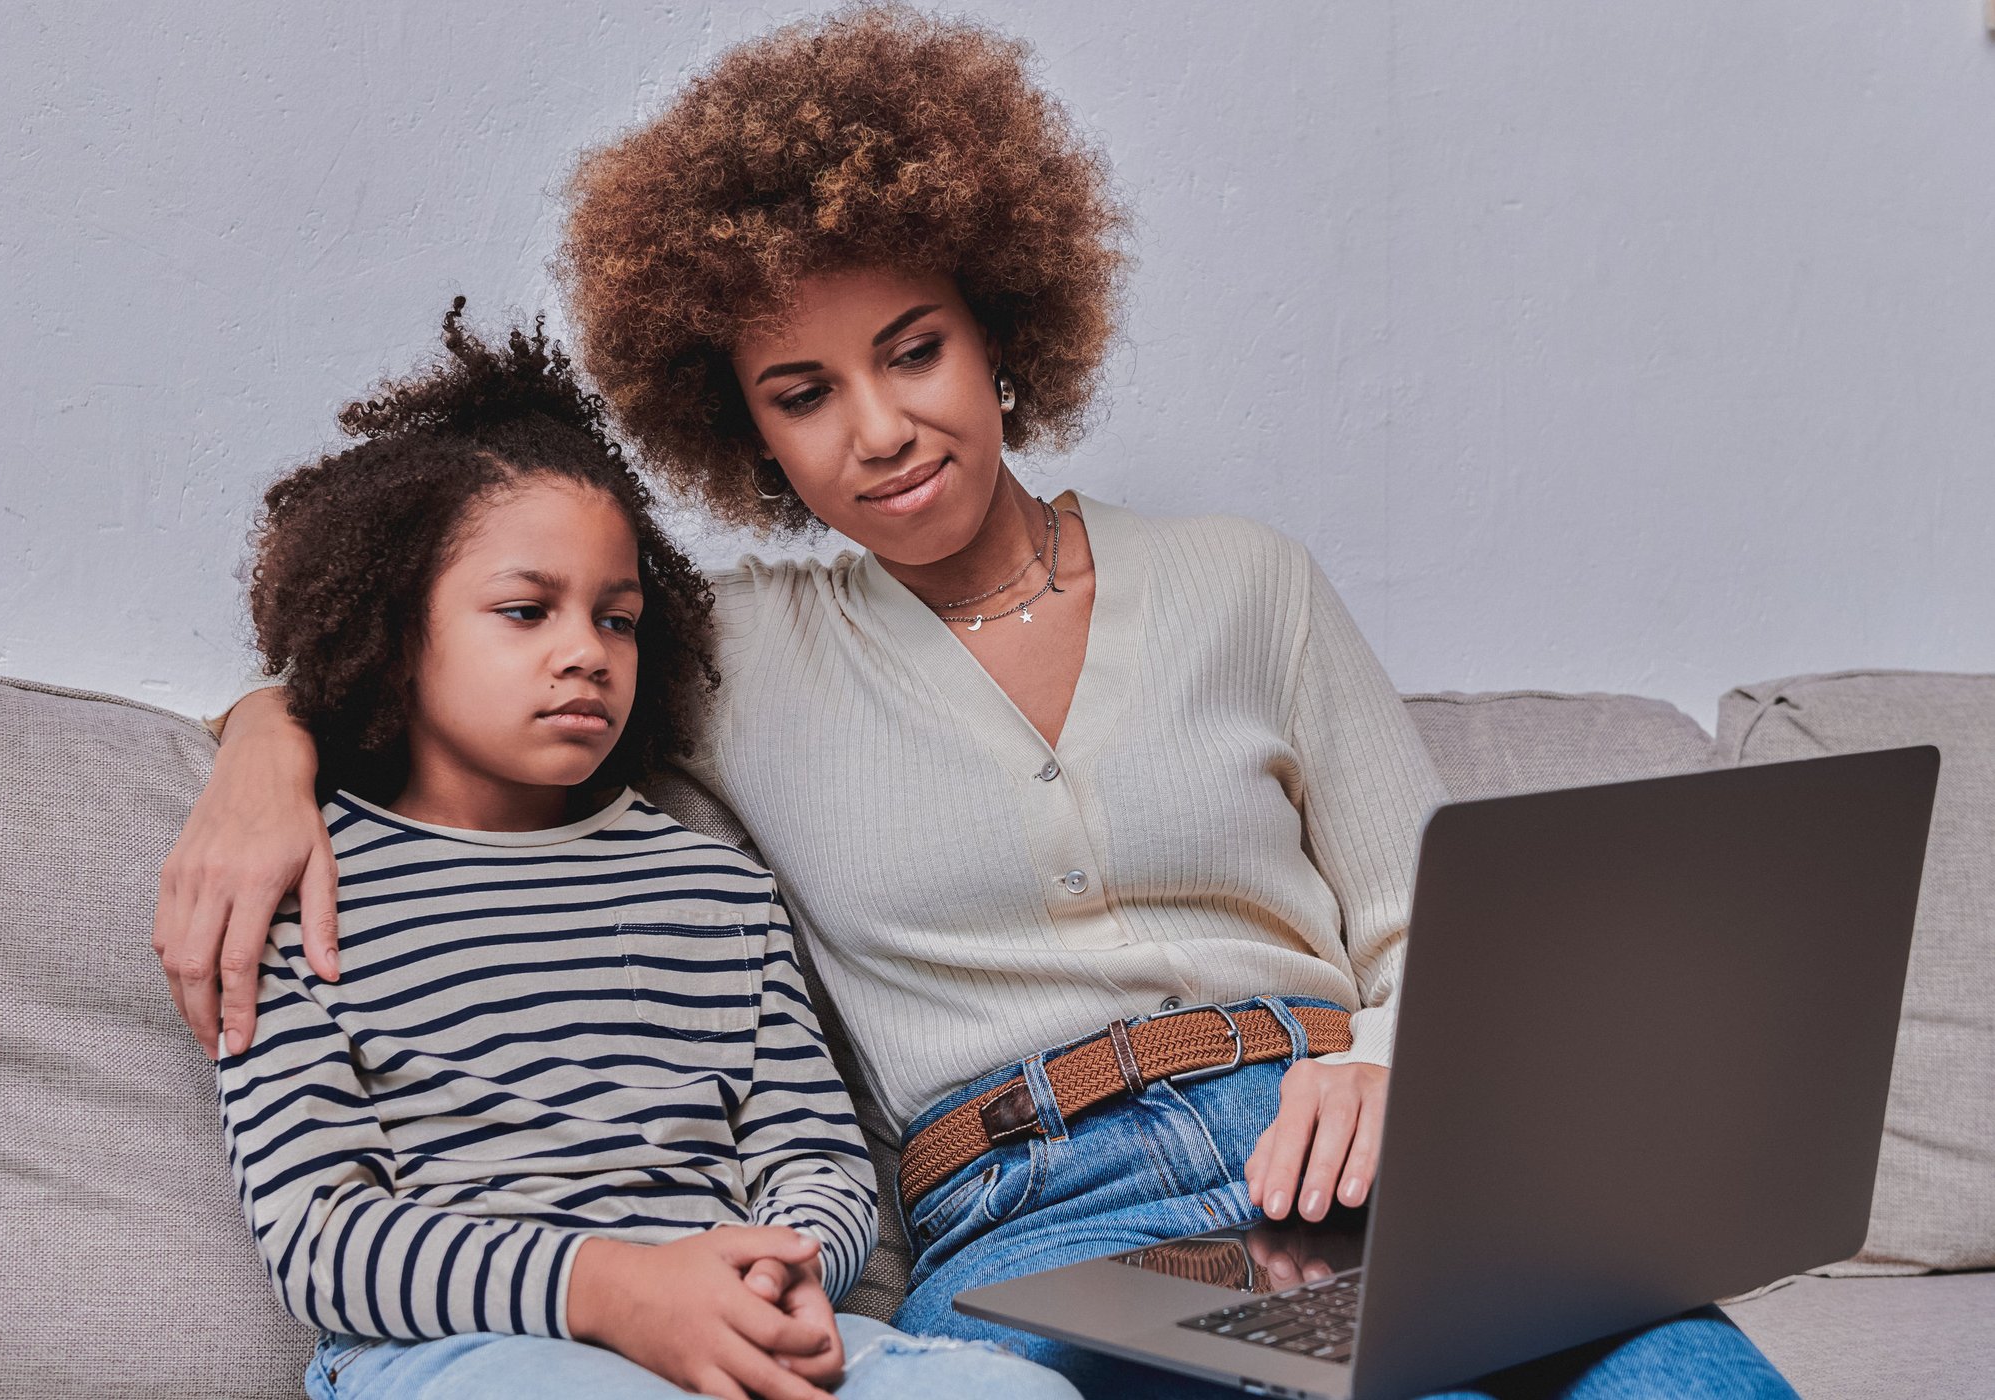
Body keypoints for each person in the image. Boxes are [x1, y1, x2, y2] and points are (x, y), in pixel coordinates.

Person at [163, 8, 1798, 1397]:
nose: (878, 429)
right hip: (1032, 1219)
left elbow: (1437, 916)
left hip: (1353, 1148)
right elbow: (467, 644)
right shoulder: (721, 652)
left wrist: (1386, 1057)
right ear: (751, 441)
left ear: (999, 330)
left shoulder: (1251, 582)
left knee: (1688, 1369)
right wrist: (267, 741)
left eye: (913, 350)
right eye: (804, 396)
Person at [213, 299, 1082, 1400]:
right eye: (527, 611)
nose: (586, 651)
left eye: (617, 618)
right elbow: (322, 1236)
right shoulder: (298, 890)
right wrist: (614, 1289)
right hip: (464, 1352)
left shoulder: (715, 890)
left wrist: (786, 1262)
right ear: (391, 635)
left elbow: (814, 1154)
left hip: (738, 1317)